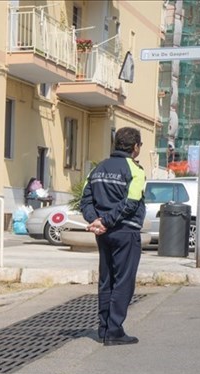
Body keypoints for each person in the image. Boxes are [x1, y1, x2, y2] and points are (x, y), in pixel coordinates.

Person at [80, 127, 146, 346]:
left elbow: (85, 200)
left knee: (106, 280)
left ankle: (103, 328)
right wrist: (106, 221)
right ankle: (114, 331)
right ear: (135, 147)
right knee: (123, 281)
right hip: (125, 231)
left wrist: (96, 221)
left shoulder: (97, 169)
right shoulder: (135, 171)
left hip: (103, 233)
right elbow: (131, 203)